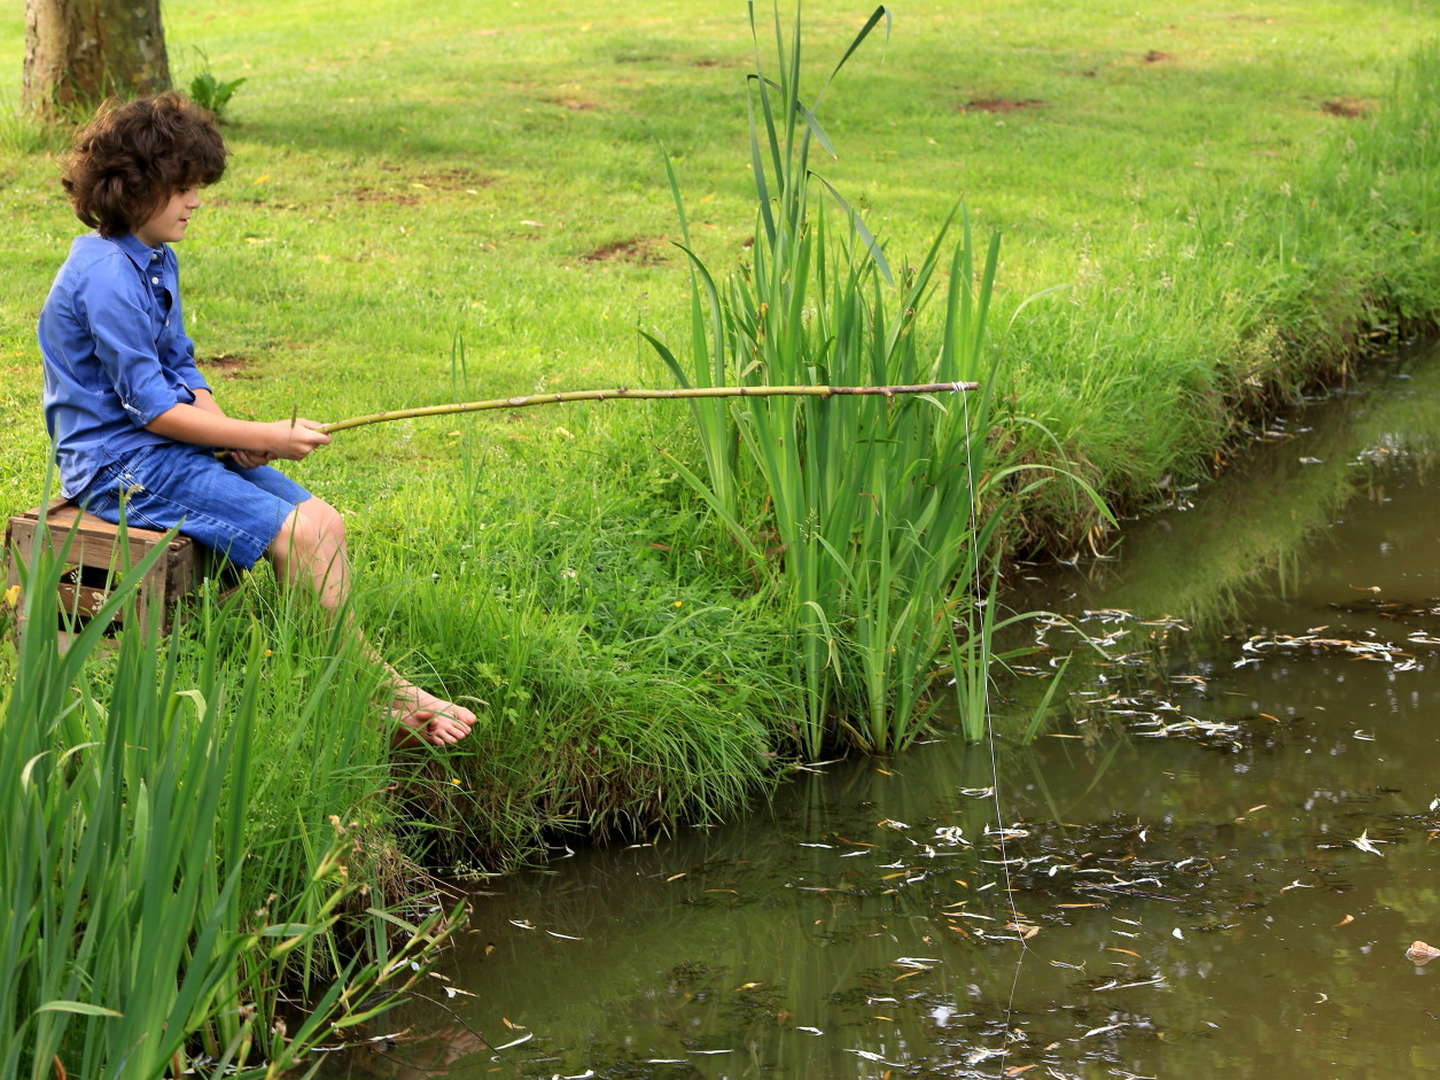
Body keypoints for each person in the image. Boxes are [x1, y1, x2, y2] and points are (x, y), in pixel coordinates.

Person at [37, 92, 476, 745]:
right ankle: (375, 693)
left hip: (160, 449)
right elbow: (152, 409)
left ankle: (355, 679)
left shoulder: (154, 259)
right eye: (181, 188)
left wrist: (233, 436)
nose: (194, 202)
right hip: (117, 466)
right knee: (299, 534)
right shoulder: (104, 276)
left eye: (196, 187)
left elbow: (179, 371)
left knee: (323, 524)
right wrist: (261, 436)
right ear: (133, 188)